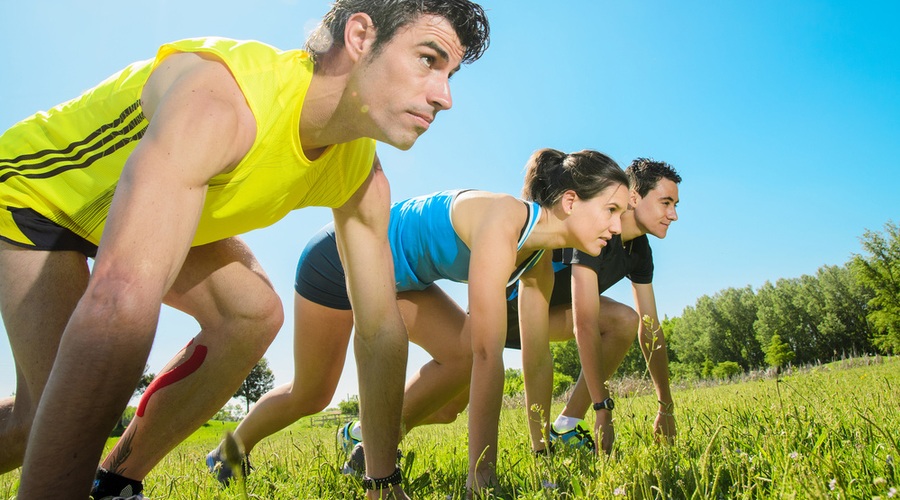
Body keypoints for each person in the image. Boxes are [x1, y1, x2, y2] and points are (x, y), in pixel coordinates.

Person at [0, 0, 490, 497]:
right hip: (40, 198)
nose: (444, 97)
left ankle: (117, 484)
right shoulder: (222, 102)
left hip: (152, 218)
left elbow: (382, 331)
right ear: (360, 37)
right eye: (429, 60)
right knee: (45, 419)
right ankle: (226, 454)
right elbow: (119, 300)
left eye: (450, 72)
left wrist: (382, 482)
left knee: (253, 316)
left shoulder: (361, 174)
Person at [206, 148, 630, 496]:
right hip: (339, 257)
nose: (617, 225)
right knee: (312, 393)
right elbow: (489, 353)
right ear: (571, 201)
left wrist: (542, 450)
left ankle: (366, 448)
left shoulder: (538, 256)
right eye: (611, 209)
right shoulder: (503, 220)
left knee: (455, 379)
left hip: (400, 279)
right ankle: (228, 450)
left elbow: (534, 359)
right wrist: (481, 479)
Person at [509, 157, 682, 455]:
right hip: (509, 315)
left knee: (626, 321)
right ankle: (541, 445)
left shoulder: (639, 248)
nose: (674, 214)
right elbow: (585, 322)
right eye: (666, 202)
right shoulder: (595, 226)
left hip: (552, 314)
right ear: (634, 197)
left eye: (676, 205)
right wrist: (603, 407)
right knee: (450, 403)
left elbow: (650, 327)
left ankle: (565, 425)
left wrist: (665, 405)